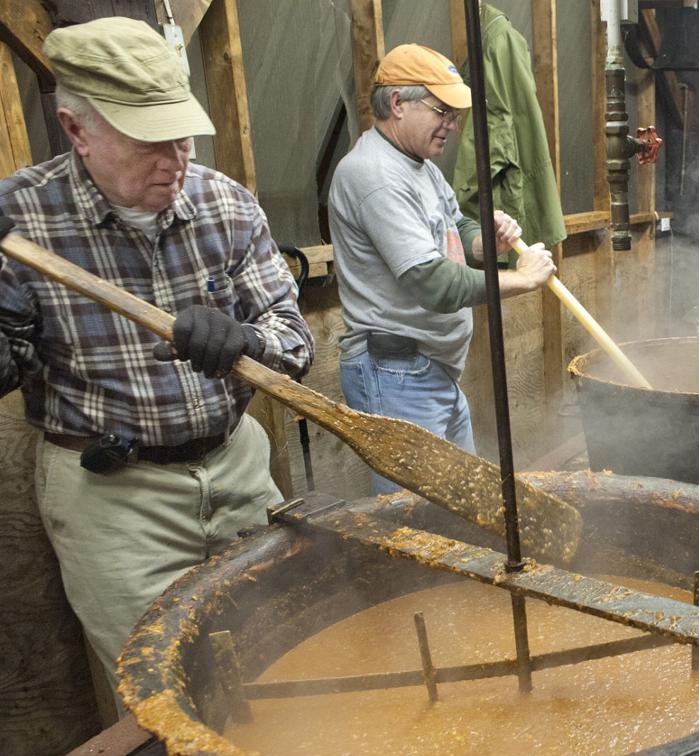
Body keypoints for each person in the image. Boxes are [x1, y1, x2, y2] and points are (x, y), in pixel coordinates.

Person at [0, 18, 314, 706]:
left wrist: (247, 340)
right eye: (150, 140)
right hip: (116, 500)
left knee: (286, 660)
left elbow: (293, 337)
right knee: (165, 693)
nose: (176, 157)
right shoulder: (22, 223)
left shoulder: (223, 204)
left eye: (183, 133)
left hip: (236, 467)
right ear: (76, 129)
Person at [328, 43, 555, 490]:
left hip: (428, 370)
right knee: (419, 526)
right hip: (396, 375)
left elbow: (457, 224)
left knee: (459, 510)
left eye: (454, 114)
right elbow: (431, 283)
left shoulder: (419, 164)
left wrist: (484, 242)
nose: (452, 125)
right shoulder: (374, 175)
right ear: (397, 103)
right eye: (442, 111)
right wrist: (522, 278)